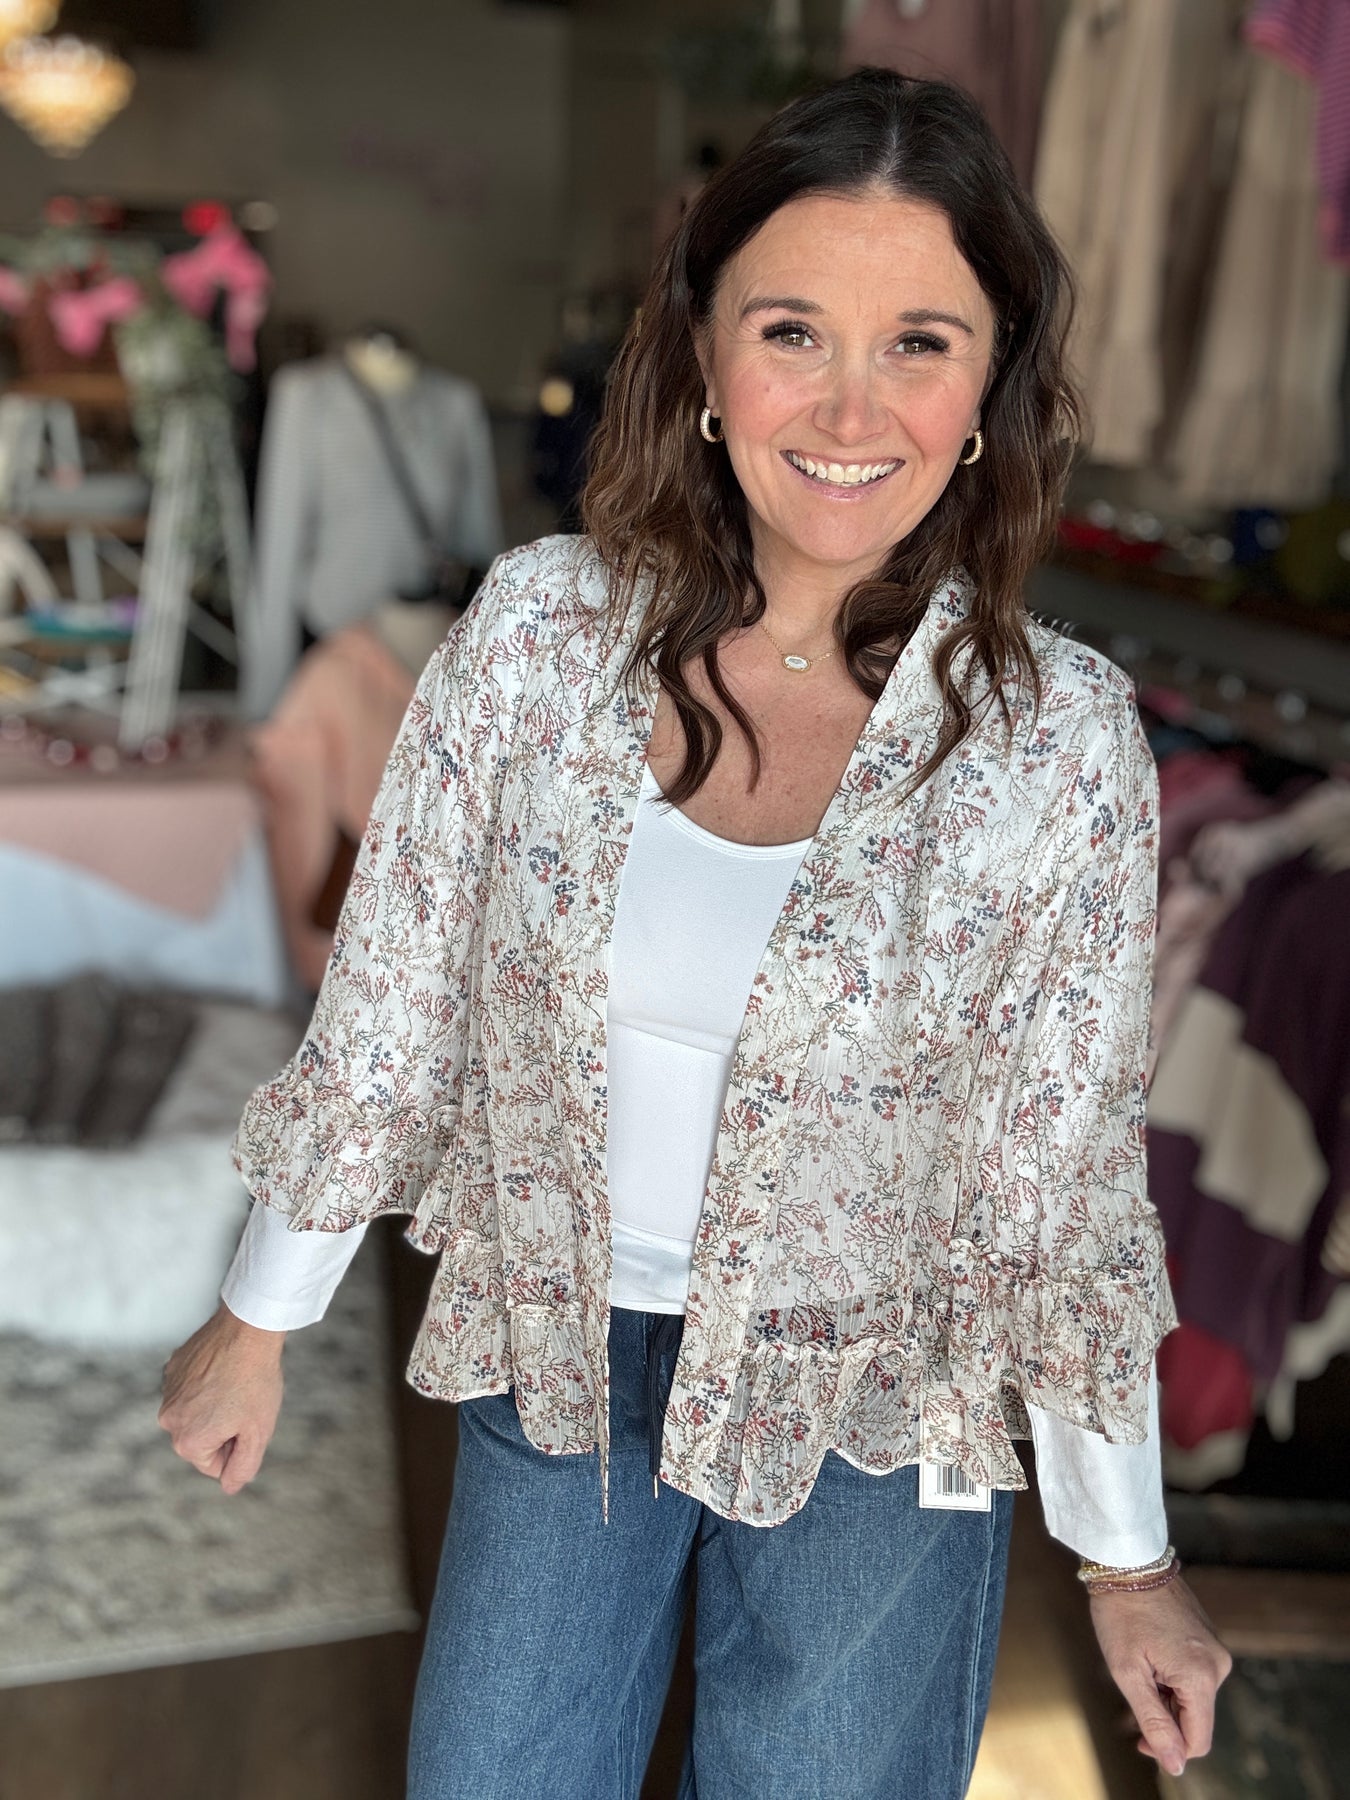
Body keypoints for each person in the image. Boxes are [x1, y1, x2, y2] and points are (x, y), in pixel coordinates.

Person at [159, 69, 1232, 1800]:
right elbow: (391, 999)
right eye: (792, 330)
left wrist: (1126, 1562)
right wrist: (259, 1315)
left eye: (919, 343)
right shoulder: (537, 637)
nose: (850, 407)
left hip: (879, 1409)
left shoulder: (1058, 744)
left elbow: (1057, 1188)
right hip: (558, 1355)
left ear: (988, 389)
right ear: (705, 355)